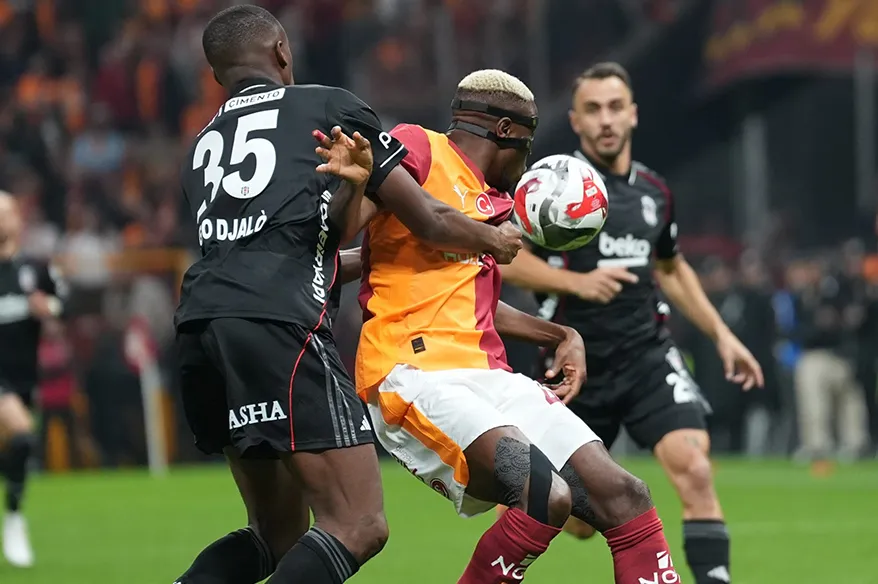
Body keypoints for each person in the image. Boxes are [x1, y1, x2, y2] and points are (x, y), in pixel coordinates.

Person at [172, 6, 521, 584]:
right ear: (282, 51)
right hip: (279, 326)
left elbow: (303, 247)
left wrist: (362, 218)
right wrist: (493, 239)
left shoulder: (202, 144)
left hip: (202, 327)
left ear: (217, 75)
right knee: (359, 523)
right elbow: (428, 218)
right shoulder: (326, 107)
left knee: (275, 533)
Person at [324, 69, 682, 584]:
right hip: (412, 372)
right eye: (527, 145)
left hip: (489, 376)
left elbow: (482, 306)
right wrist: (354, 185)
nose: (527, 162)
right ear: (507, 132)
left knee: (627, 495)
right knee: (546, 495)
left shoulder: (494, 202)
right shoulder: (418, 146)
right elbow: (345, 231)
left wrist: (561, 334)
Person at [499, 62, 763, 584]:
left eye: (615, 107)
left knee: (695, 469)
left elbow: (672, 267)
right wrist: (577, 282)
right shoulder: (553, 185)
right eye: (593, 109)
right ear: (575, 120)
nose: (606, 119)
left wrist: (723, 335)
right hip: (575, 365)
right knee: (576, 518)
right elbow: (503, 256)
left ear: (633, 114)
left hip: (647, 355)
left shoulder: (654, 192)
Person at [0, 192, 67, 568]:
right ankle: (13, 520)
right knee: (23, 432)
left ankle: (13, 511)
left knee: (18, 445)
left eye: (5, 212)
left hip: (24, 378)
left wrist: (49, 308)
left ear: (17, 220)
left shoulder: (35, 269)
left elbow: (66, 304)